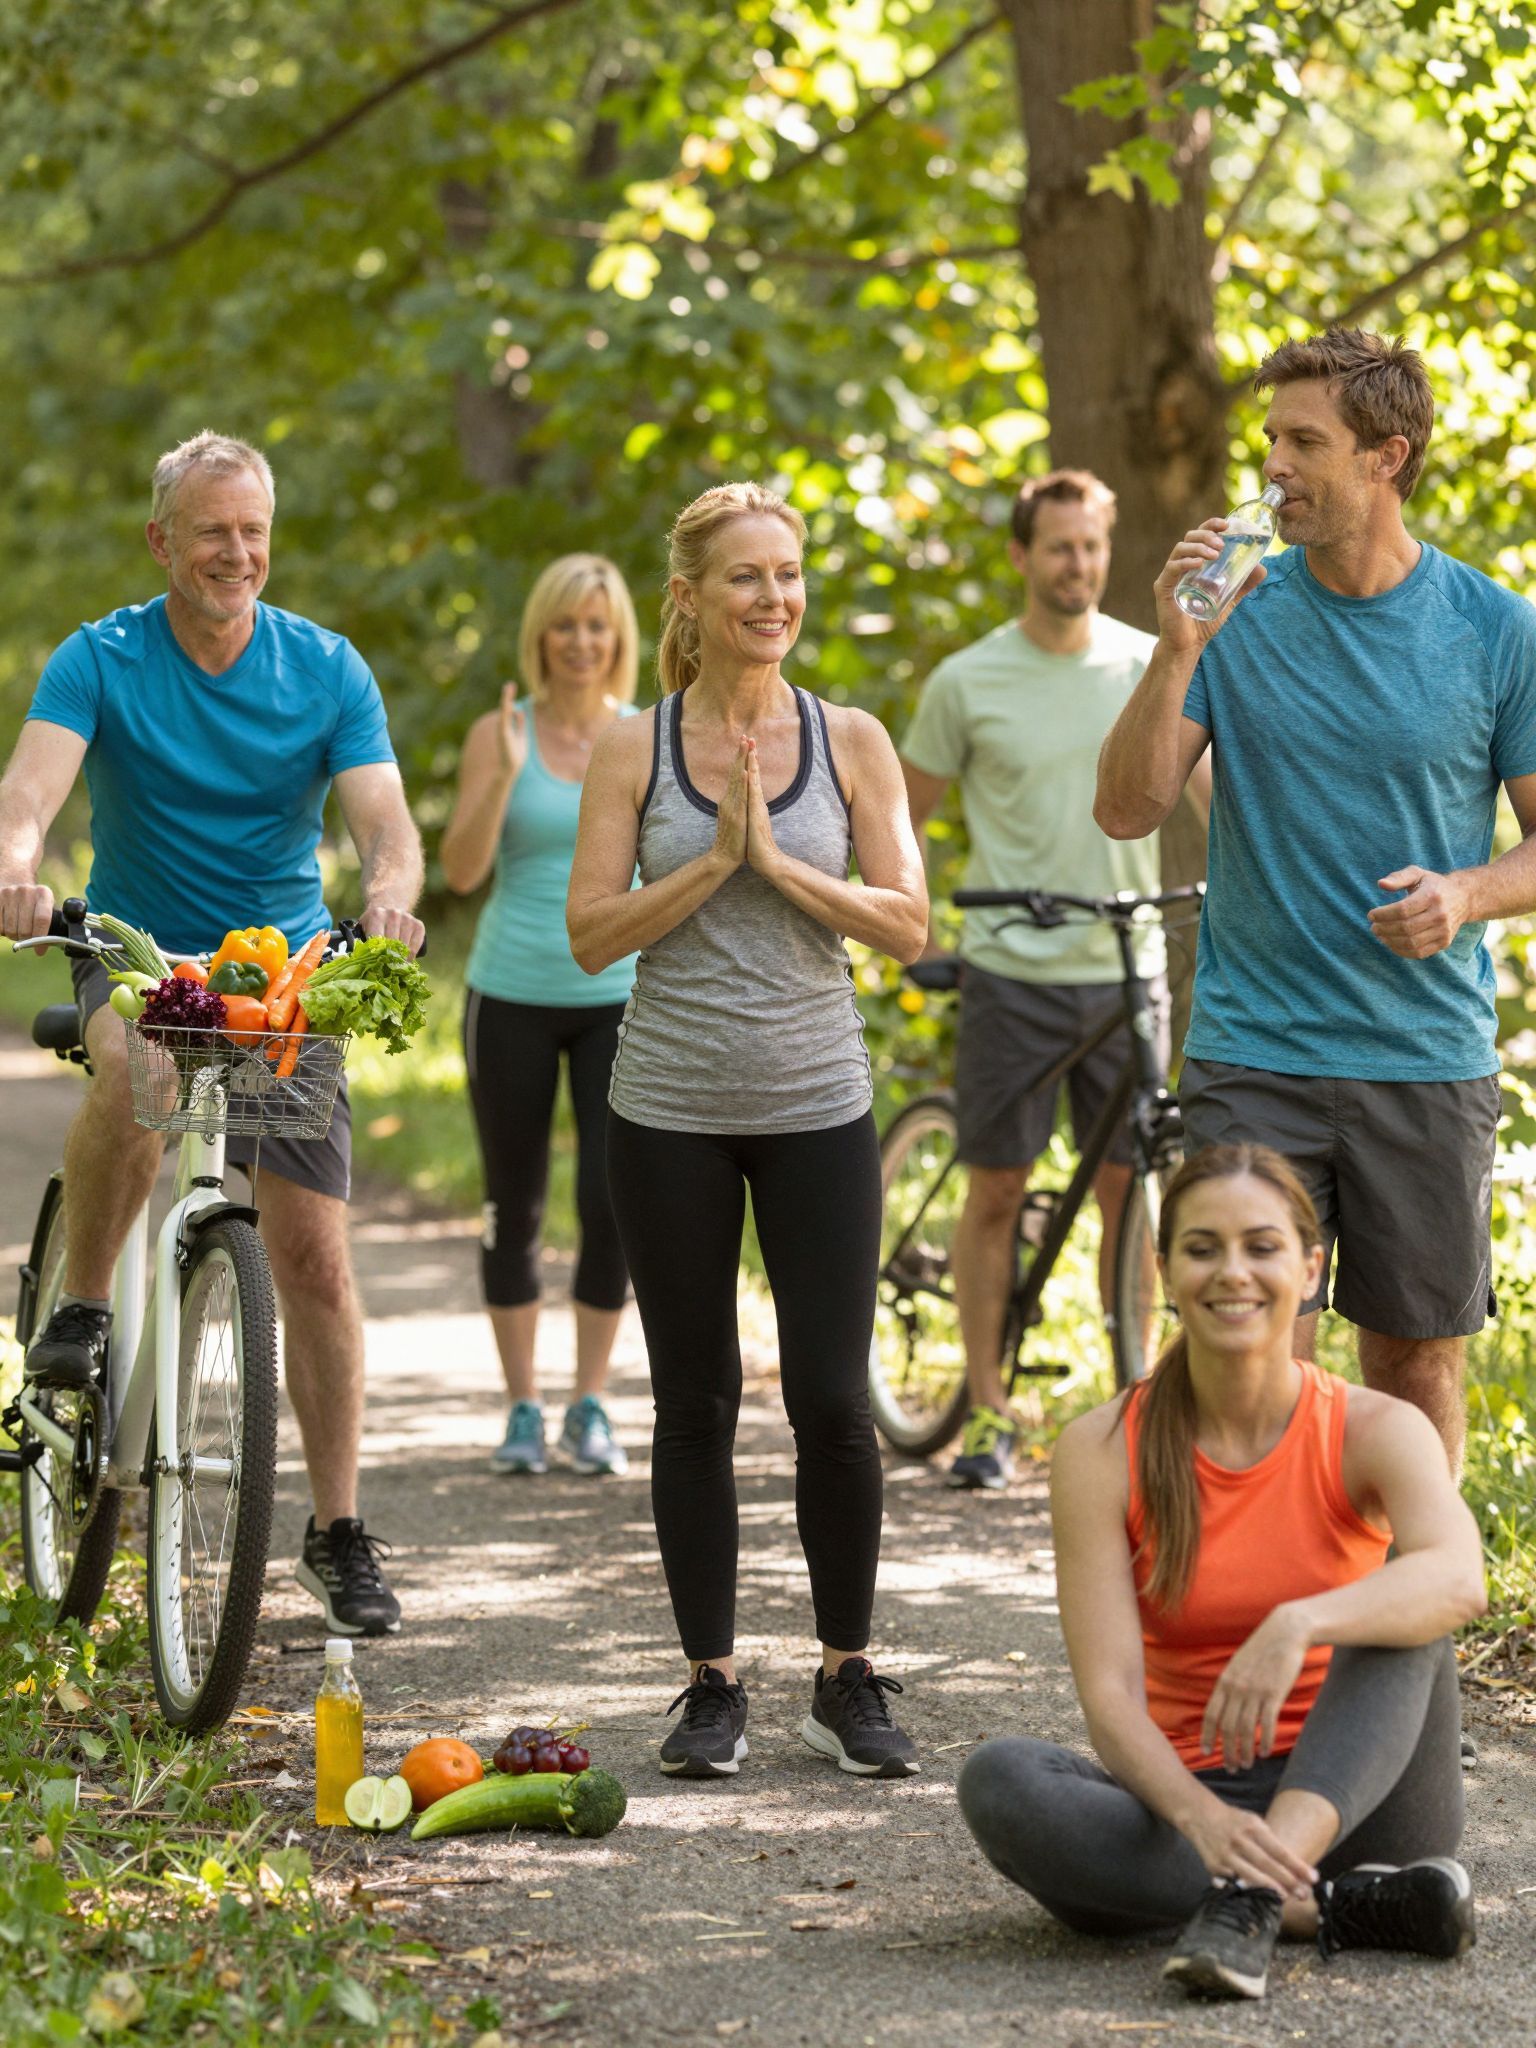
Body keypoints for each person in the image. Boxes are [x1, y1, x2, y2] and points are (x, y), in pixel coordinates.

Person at [0, 431, 425, 1636]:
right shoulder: (100, 658)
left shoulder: (325, 667)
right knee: (133, 1061)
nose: (236, 553)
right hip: (134, 950)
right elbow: (27, 796)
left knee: (314, 1258)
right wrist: (17, 868)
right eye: (211, 532)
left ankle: (336, 1531)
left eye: (253, 532)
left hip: (280, 975)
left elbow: (387, 821)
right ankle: (83, 1312)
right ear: (161, 542)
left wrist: (391, 894)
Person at [1096, 328, 1536, 1480]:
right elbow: (1128, 808)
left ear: (1387, 456)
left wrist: (1467, 892)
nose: (1272, 467)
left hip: (1423, 1057)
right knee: (1242, 1364)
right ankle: (1258, 1637)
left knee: (1416, 1372)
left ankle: (1409, 1641)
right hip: (1256, 1053)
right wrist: (1176, 647)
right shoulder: (1235, 612)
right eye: (1270, 439)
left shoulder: (1495, 628)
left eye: (1305, 441)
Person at [567, 481, 929, 1780]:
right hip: (665, 1112)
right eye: (745, 578)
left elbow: (907, 923)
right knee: (696, 1401)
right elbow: (589, 932)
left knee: (835, 1401)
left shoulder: (853, 740)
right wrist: (711, 865)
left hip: (817, 1105)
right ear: (691, 598)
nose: (773, 598)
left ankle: (848, 1674)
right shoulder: (634, 745)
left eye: (788, 574)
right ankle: (711, 1685)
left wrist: (781, 869)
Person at [958, 1144, 1486, 2002]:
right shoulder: (1099, 1448)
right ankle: (1326, 1909)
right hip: (1196, 1815)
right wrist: (1201, 1818)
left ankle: (1246, 1901)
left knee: (1408, 1603)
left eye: (1262, 1246)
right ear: (1165, 1270)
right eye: (1203, 1248)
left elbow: (1462, 1580)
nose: (1232, 1272)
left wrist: (1302, 1621)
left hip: (1368, 1798)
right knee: (1002, 1781)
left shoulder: (1375, 1427)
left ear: (1311, 1268)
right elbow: (1112, 1697)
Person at [900, 470, 1203, 1491]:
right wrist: (913, 920)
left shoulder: (1148, 662)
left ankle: (1143, 1408)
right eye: (1059, 547)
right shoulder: (967, 680)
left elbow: (1213, 797)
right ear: (1023, 556)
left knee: (1136, 1192)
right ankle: (986, 1408)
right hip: (1013, 968)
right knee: (997, 1187)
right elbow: (900, 817)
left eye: (1092, 546)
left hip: (1128, 967)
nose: (1079, 564)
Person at [441, 555, 640, 1478]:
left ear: (619, 638)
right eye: (566, 624)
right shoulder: (500, 732)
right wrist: (500, 778)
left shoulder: (643, 735)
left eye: (598, 625)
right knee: (510, 1201)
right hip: (510, 994)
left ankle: (589, 1403)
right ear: (542, 634)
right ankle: (522, 1406)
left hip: (620, 998)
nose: (582, 642)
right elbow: (460, 872)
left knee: (612, 1204)